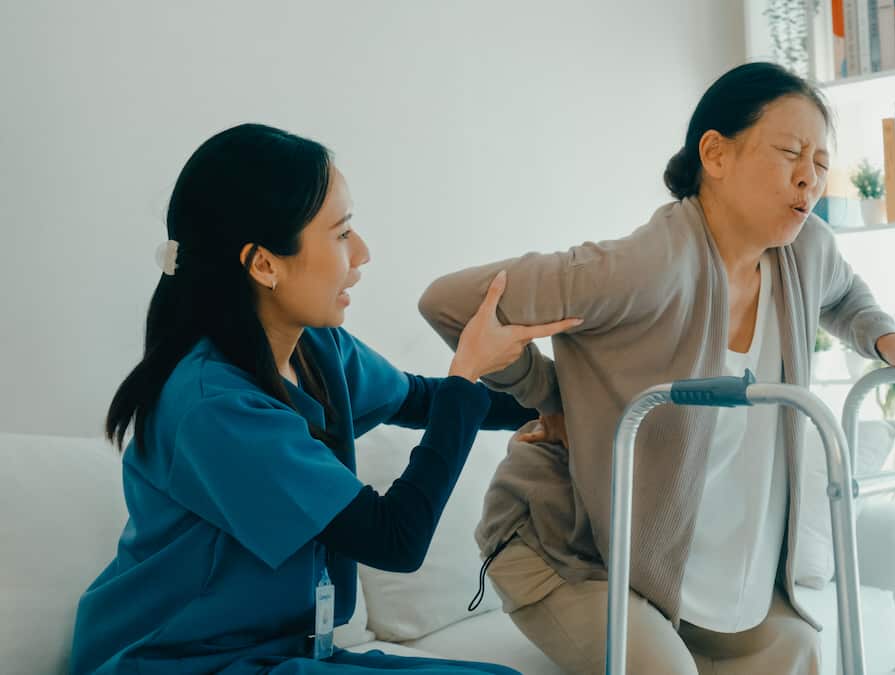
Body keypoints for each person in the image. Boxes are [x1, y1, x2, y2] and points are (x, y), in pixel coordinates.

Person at [418, 62, 895, 675]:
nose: (808, 178)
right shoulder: (646, 266)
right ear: (715, 153)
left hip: (679, 570)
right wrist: (551, 396)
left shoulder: (806, 250)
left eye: (819, 163)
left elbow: (844, 297)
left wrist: (889, 342)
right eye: (789, 152)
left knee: (802, 653)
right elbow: (450, 300)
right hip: (565, 551)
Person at [70, 123, 579, 674]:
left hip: (280, 654)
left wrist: (565, 401)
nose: (361, 254)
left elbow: (419, 400)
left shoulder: (316, 348)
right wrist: (467, 375)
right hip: (179, 663)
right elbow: (394, 539)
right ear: (263, 263)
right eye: (341, 234)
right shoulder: (214, 408)